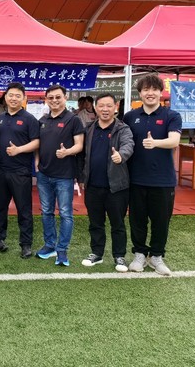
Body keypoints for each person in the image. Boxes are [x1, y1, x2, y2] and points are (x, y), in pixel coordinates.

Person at [123, 74, 181, 276]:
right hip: (136, 179)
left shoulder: (171, 115)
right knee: (137, 220)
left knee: (161, 221)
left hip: (163, 180)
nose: (150, 93)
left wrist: (155, 143)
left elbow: (174, 141)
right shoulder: (130, 116)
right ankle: (139, 254)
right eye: (146, 89)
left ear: (160, 92)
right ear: (140, 93)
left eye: (154, 89)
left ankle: (156, 256)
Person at [78, 93, 134, 272]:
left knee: (118, 223)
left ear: (115, 107)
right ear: (95, 107)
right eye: (101, 106)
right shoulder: (89, 129)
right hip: (93, 185)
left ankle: (119, 256)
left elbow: (128, 145)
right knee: (95, 223)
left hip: (116, 186)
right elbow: (82, 156)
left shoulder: (123, 129)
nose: (105, 109)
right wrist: (81, 178)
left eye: (109, 106)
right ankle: (97, 253)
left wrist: (121, 155)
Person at [35, 84, 84, 267]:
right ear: (46, 100)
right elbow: (39, 144)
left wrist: (67, 152)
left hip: (64, 175)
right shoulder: (43, 120)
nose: (54, 100)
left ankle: (62, 249)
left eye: (58, 97)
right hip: (44, 174)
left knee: (65, 213)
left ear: (65, 98)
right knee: (46, 211)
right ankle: (49, 245)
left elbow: (79, 145)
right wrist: (37, 162)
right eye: (51, 98)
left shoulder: (74, 120)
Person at [0, 82, 40, 258]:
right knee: (0, 207)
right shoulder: (0, 118)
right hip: (0, 171)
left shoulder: (29, 119)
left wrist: (19, 150)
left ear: (24, 98)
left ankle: (26, 244)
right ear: (5, 97)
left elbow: (37, 142)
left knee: (24, 209)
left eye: (18, 96)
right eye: (11, 95)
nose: (14, 98)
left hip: (20, 171)